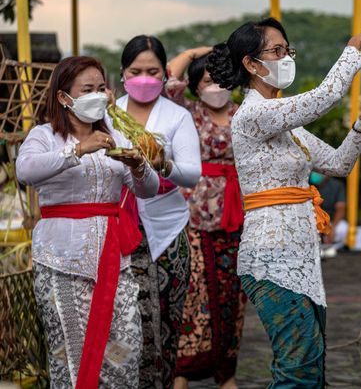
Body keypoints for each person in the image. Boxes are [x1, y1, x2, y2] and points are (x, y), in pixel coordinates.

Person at [206, 18, 361, 387]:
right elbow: (323, 98)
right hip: (270, 255)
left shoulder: (287, 125)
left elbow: (339, 164)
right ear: (251, 65)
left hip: (301, 254)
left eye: (288, 49)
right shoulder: (253, 115)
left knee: (310, 365)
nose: (286, 56)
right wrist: (352, 51)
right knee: (298, 367)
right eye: (276, 51)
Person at [16, 56, 159, 388]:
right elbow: (25, 171)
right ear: (65, 98)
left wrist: (139, 166)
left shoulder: (114, 138)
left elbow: (148, 189)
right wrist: (77, 150)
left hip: (113, 258)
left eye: (100, 88)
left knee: (125, 349)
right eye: (87, 90)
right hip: (60, 259)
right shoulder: (44, 136)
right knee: (71, 354)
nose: (97, 95)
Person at [114, 35, 202, 389]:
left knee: (166, 324)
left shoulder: (177, 116)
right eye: (136, 71)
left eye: (152, 71)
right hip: (118, 231)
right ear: (122, 74)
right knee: (124, 324)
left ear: (165, 75)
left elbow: (192, 173)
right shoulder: (107, 115)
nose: (144, 78)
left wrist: (164, 164)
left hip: (167, 232)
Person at [165, 46, 247, 389]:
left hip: (237, 213)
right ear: (196, 86)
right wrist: (203, 51)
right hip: (195, 213)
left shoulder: (244, 113)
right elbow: (171, 79)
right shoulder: (187, 113)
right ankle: (183, 372)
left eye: (221, 79)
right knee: (195, 292)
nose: (215, 86)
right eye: (208, 80)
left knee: (233, 297)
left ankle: (225, 373)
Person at [310, 172, 347, 258]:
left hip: (331, 222)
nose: (316, 173)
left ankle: (329, 245)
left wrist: (331, 228)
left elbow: (341, 209)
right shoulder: (306, 184)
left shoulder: (337, 185)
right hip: (313, 220)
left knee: (343, 228)